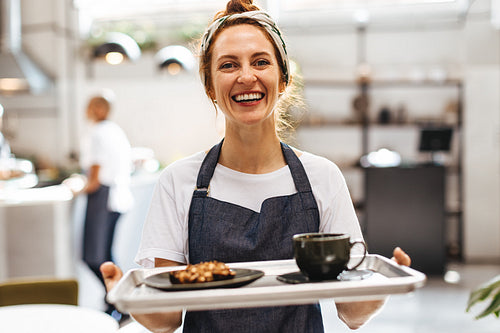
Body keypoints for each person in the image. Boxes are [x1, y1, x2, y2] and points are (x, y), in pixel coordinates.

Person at [100, 0, 412, 331]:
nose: (246, 76)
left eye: (260, 62)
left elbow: (351, 311)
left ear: (283, 79)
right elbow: (166, 319)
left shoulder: (323, 178)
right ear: (210, 87)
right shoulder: (179, 181)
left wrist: (382, 287)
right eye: (228, 65)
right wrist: (124, 296)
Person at [79, 95, 133, 317]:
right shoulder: (115, 130)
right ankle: (116, 300)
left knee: (94, 256)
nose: (87, 110)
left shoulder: (98, 132)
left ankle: (118, 301)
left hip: (103, 196)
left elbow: (95, 177)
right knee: (104, 254)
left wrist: (75, 188)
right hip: (118, 197)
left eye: (91, 105)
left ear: (101, 109)